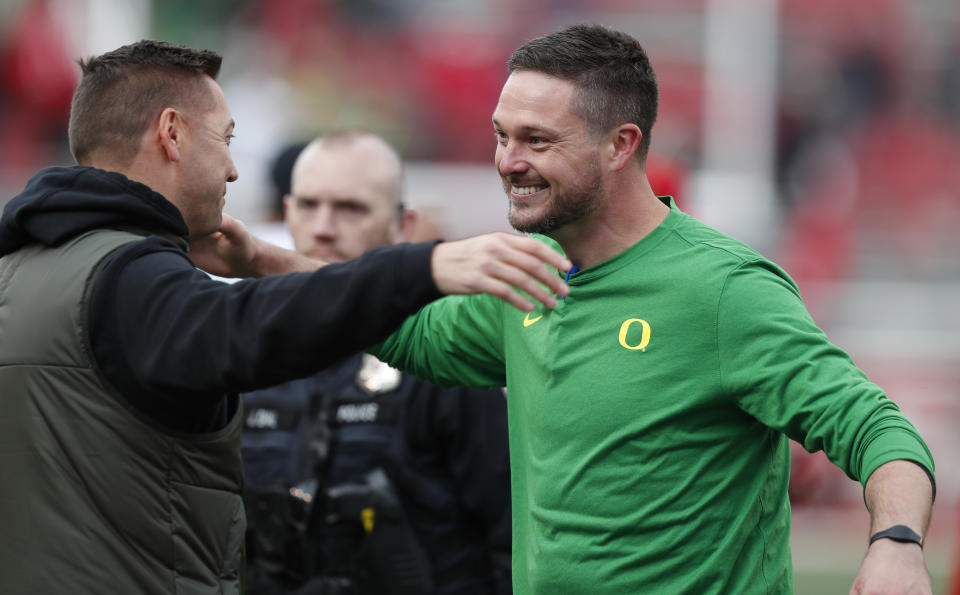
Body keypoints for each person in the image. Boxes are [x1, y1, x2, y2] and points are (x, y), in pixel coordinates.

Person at [369, 24, 937, 594]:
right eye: (502, 135)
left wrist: (897, 545)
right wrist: (281, 272)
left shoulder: (724, 291)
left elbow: (879, 432)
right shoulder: (528, 271)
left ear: (620, 145)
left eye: (537, 141)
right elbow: (396, 329)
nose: (507, 162)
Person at [0, 40, 570, 595]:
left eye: (349, 207)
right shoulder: (128, 280)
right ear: (172, 134)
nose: (232, 169)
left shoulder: (21, 271)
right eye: (226, 140)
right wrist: (424, 267)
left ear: (401, 221)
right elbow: (248, 327)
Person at [241, 131, 513, 594]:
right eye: (308, 205)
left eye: (351, 208)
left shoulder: (446, 361)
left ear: (403, 226)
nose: (324, 227)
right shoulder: (245, 354)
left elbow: (512, 541)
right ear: (286, 213)